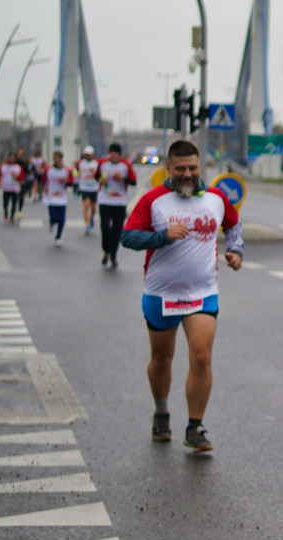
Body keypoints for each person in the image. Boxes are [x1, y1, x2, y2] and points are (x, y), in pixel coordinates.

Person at [120, 139, 244, 452]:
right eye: (180, 169)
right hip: (162, 294)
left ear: (200, 166)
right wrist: (162, 236)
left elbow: (233, 224)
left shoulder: (216, 198)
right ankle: (161, 413)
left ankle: (195, 426)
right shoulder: (154, 200)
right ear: (168, 169)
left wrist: (235, 250)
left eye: (192, 168)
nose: (187, 174)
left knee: (202, 357)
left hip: (203, 293)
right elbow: (128, 237)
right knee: (162, 360)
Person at [96, 142, 137, 268]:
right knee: (104, 226)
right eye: (111, 153)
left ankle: (113, 254)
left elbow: (133, 181)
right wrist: (100, 180)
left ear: (120, 155)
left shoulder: (125, 165)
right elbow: (96, 176)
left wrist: (123, 178)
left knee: (117, 230)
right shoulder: (103, 163)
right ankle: (106, 251)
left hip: (119, 202)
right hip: (105, 200)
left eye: (115, 153)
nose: (113, 155)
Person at [41, 151, 74, 247]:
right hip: (51, 197)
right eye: (54, 157)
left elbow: (71, 183)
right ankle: (52, 222)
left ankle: (58, 237)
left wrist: (66, 181)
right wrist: (44, 188)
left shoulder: (66, 170)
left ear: (61, 158)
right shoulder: (49, 169)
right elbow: (43, 180)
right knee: (54, 217)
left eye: (57, 157)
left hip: (62, 198)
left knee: (62, 219)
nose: (55, 159)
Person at [74, 145, 100, 234]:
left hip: (94, 187)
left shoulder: (97, 163)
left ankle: (91, 217)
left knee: (93, 209)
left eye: (89, 154)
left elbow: (101, 174)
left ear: (93, 154)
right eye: (86, 154)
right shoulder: (80, 163)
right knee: (86, 206)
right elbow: (75, 172)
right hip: (84, 187)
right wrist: (77, 175)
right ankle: (87, 225)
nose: (88, 156)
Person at [0, 152, 23, 224]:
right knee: (5, 203)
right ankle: (6, 213)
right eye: (10, 157)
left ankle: (12, 217)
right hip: (6, 188)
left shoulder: (17, 167)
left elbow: (22, 177)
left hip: (15, 188)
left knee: (14, 204)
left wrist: (17, 177)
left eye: (12, 158)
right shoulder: (3, 166)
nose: (11, 159)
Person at [15, 148, 35, 217]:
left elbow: (28, 171)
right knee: (15, 198)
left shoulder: (25, 163)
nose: (20, 155)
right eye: (19, 153)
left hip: (22, 183)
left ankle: (19, 211)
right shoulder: (14, 162)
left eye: (21, 154)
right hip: (14, 183)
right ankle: (14, 210)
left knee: (21, 197)